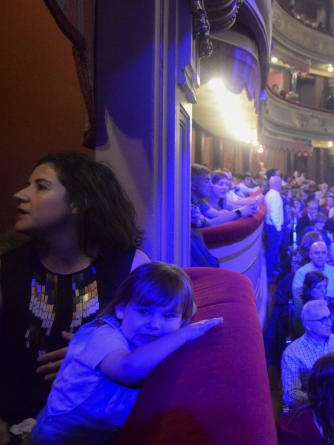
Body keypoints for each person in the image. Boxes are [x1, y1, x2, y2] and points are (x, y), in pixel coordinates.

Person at [1, 153, 150, 429]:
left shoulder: (129, 266)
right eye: (27, 185)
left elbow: (153, 344)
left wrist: (98, 355)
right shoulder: (7, 266)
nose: (19, 195)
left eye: (41, 186)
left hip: (95, 423)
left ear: (78, 203)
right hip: (15, 421)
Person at [30, 263, 222, 444]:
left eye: (168, 315)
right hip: (56, 435)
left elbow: (188, 310)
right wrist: (184, 333)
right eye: (144, 312)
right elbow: (127, 368)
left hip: (100, 435)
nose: (155, 325)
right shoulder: (102, 334)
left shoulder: (152, 341)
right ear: (121, 309)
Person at [281, 300, 334, 408]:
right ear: (308, 325)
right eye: (323, 319)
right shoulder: (292, 353)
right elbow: (290, 394)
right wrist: (322, 401)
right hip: (316, 409)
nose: (329, 323)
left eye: (329, 317)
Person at [293, 271, 334, 338]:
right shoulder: (301, 309)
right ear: (309, 290)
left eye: (325, 286)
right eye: (318, 287)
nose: (323, 291)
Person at [292, 241, 334, 307]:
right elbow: (298, 300)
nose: (320, 256)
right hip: (310, 312)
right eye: (317, 253)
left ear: (327, 255)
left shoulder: (333, 271)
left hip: (331, 310)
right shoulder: (301, 273)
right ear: (310, 255)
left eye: (323, 253)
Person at [265, 175, 284, 278]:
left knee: (271, 252)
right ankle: (270, 275)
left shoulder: (269, 194)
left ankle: (271, 272)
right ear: (276, 184)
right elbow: (274, 214)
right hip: (274, 228)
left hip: (270, 227)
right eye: (280, 183)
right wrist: (278, 228)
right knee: (272, 252)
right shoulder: (275, 195)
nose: (281, 185)